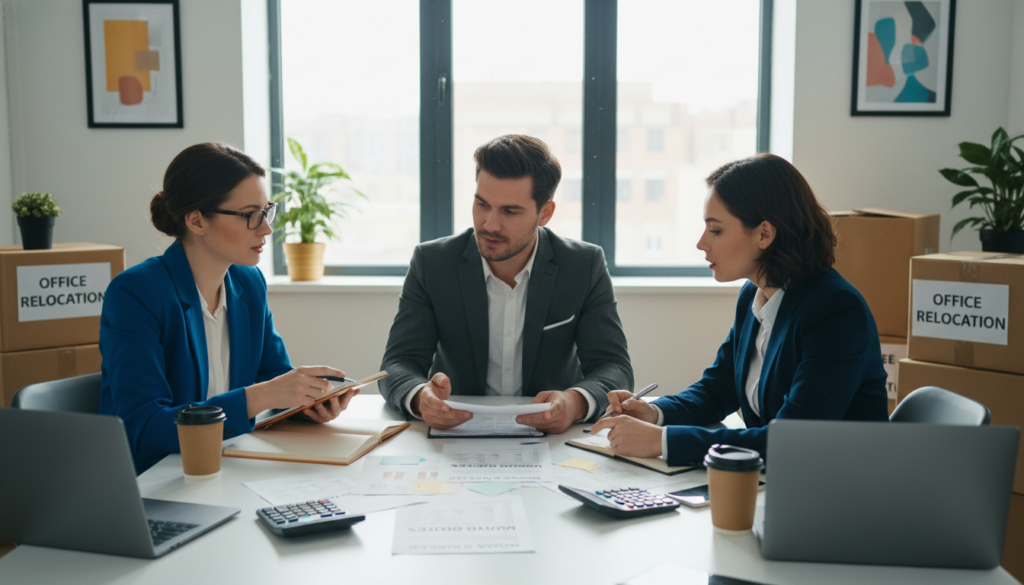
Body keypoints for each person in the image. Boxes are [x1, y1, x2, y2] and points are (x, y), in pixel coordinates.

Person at [592, 153, 888, 466]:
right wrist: (655, 412)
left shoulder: (835, 310)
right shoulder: (754, 295)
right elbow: (719, 388)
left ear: (764, 234)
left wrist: (661, 441)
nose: (701, 243)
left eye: (715, 230)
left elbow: (792, 439)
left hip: (838, 487)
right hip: (780, 480)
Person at [99, 143, 356, 474]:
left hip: (228, 465)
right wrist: (260, 397)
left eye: (267, 211)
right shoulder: (136, 293)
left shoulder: (248, 283)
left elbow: (271, 377)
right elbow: (144, 429)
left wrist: (308, 403)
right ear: (196, 220)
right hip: (155, 479)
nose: (266, 228)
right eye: (250, 215)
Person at [378, 134, 633, 434]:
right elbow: (398, 363)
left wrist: (574, 403)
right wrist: (421, 397)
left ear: (545, 214)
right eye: (482, 204)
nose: (490, 224)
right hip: (455, 434)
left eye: (510, 211)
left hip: (550, 437)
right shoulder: (432, 262)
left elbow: (614, 368)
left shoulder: (583, 265)